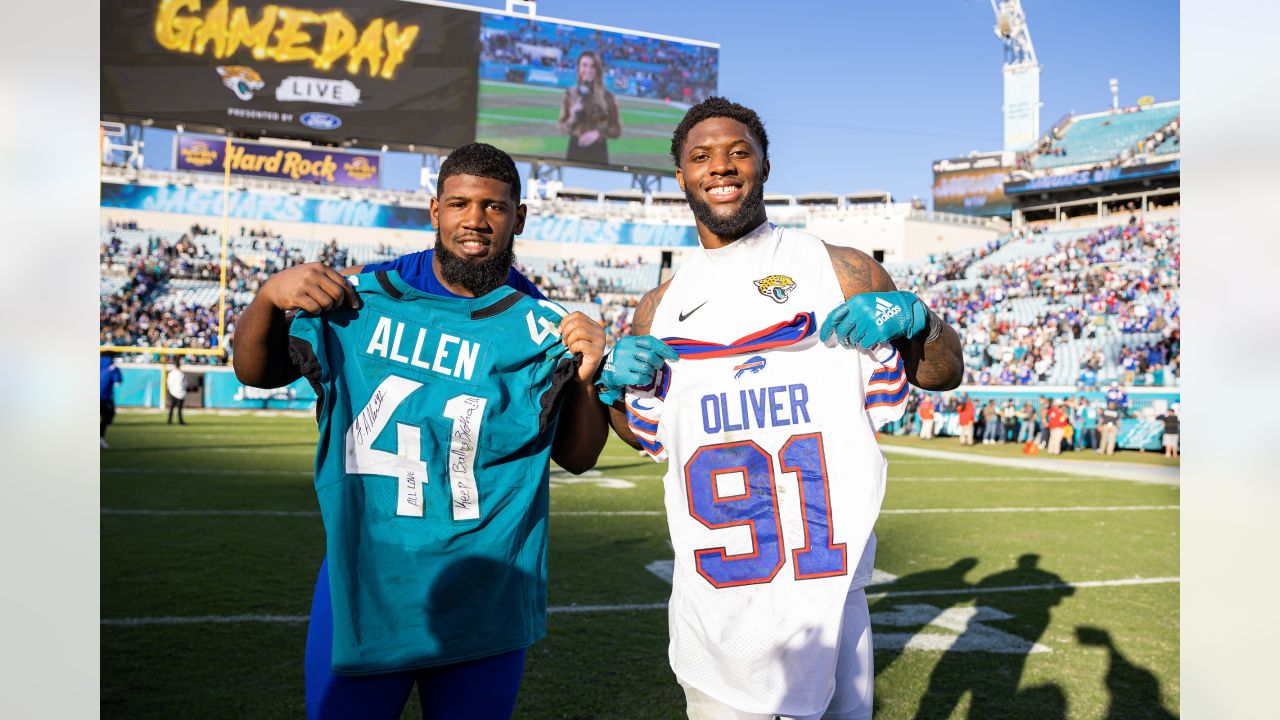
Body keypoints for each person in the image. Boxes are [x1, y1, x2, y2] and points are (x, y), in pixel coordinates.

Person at [596, 97, 963, 720]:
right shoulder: (660, 308)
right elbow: (642, 434)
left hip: (828, 598)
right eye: (702, 157)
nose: (722, 167)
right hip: (715, 609)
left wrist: (916, 320)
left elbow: (944, 372)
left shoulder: (839, 270)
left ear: (765, 165)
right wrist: (611, 391)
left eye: (739, 152)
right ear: (681, 176)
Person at [231, 143, 609, 720]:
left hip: (487, 587)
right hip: (369, 575)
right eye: (459, 204)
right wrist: (267, 296)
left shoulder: (539, 325)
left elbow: (578, 457)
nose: (475, 221)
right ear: (435, 211)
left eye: (494, 207)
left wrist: (585, 377)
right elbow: (256, 372)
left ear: (518, 218)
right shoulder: (359, 301)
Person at [558, 50, 622, 166]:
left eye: (592, 66)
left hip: (598, 152)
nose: (588, 70)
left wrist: (598, 133)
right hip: (574, 150)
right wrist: (572, 117)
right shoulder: (570, 93)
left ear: (598, 70)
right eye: (584, 65)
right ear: (578, 68)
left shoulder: (608, 97)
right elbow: (563, 128)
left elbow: (616, 130)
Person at [100, 351, 123, 449]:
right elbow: (118, 382)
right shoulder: (112, 368)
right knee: (108, 417)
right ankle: (100, 438)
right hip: (104, 398)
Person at [166, 356, 187, 425]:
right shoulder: (181, 374)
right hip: (179, 393)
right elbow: (185, 384)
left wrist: (170, 390)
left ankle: (170, 421)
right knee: (179, 409)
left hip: (173, 392)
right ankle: (180, 421)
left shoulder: (172, 373)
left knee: (172, 408)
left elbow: (169, 383)